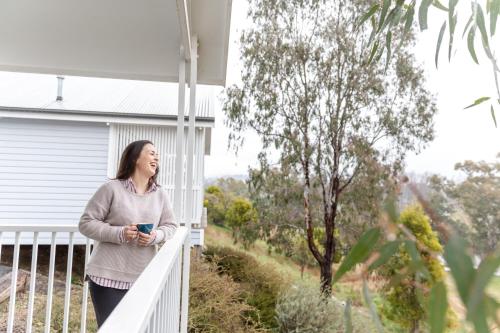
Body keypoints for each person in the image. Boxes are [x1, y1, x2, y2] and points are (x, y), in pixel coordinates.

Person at [79, 140, 178, 328]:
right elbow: (86, 223)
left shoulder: (160, 195)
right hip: (106, 277)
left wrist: (154, 237)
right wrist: (120, 233)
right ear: (135, 159)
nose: (156, 157)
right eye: (151, 153)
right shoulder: (111, 189)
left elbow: (171, 226)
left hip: (143, 278)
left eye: (157, 154)